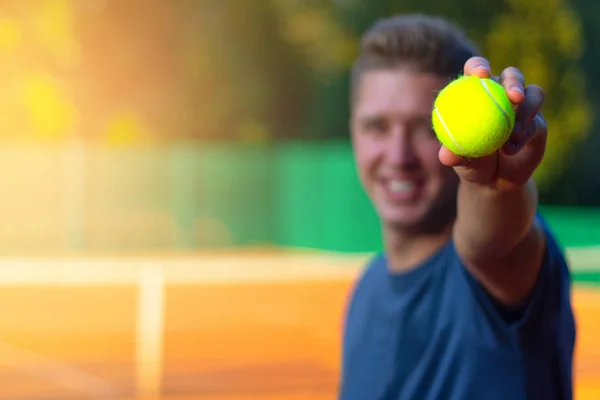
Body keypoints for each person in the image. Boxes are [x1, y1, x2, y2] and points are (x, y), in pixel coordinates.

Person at [340, 13, 576, 400]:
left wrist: (496, 186)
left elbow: (493, 245)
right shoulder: (366, 290)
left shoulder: (495, 271)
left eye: (424, 128)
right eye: (377, 126)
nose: (398, 156)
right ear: (353, 128)